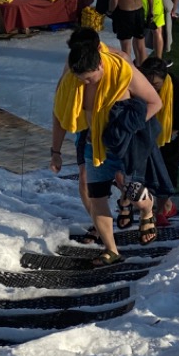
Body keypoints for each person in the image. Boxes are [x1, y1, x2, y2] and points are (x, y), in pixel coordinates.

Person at [50, 28, 163, 266]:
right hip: (94, 146)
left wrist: (129, 128)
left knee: (134, 195)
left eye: (89, 79)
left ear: (99, 62)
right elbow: (60, 114)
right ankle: (111, 250)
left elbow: (155, 102)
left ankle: (147, 210)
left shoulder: (122, 68)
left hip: (124, 146)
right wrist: (56, 151)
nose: (85, 83)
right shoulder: (72, 75)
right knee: (97, 196)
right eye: (82, 79)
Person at [139, 57, 179, 226]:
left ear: (164, 78)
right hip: (144, 134)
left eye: (156, 85)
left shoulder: (178, 89)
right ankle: (156, 206)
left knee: (167, 172)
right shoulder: (137, 85)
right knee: (144, 172)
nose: (151, 88)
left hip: (169, 136)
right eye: (148, 83)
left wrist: (167, 135)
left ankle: (161, 210)